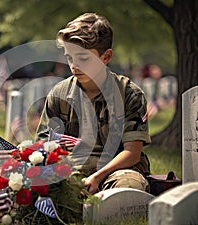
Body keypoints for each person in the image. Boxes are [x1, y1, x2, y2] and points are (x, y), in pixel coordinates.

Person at [36, 13, 151, 194]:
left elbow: (132, 152)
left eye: (83, 58)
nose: (74, 65)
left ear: (106, 57)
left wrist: (97, 177)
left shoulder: (129, 94)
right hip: (72, 169)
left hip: (117, 171)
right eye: (70, 57)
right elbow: (43, 146)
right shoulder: (59, 94)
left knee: (129, 187)